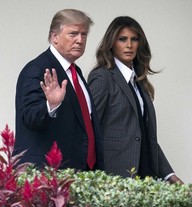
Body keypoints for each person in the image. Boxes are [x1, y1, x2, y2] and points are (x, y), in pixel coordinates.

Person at [88, 16, 183, 183]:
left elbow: (145, 136)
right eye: (122, 39)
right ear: (111, 43)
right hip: (113, 178)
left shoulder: (139, 81)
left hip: (144, 175)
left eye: (134, 39)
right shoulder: (102, 78)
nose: (129, 45)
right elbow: (89, 130)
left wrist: (169, 175)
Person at [14, 9, 103, 171]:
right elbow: (30, 117)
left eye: (84, 35)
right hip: (48, 176)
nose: (80, 40)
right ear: (55, 37)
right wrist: (50, 105)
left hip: (79, 173)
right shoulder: (37, 69)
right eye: (73, 34)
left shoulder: (76, 73)